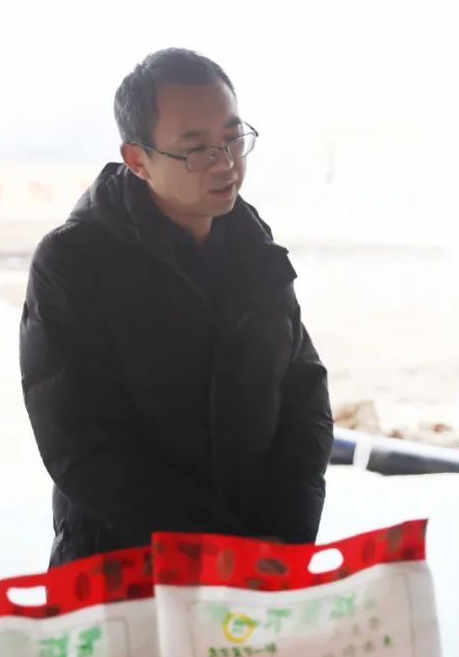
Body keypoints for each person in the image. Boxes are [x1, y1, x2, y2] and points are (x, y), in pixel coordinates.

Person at [20, 48, 333, 566]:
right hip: (125, 569)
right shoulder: (74, 261)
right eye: (196, 150)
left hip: (259, 565)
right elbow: (82, 443)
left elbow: (304, 394)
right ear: (137, 159)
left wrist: (285, 536)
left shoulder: (251, 243)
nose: (226, 163)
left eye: (233, 139)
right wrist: (219, 549)